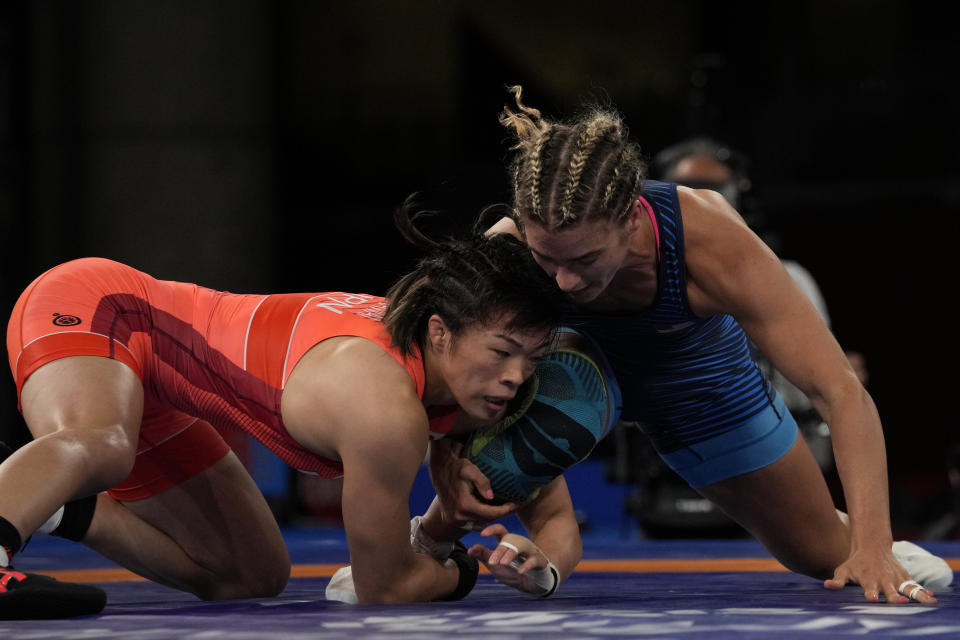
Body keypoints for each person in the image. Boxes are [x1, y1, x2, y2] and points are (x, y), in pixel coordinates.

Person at [434, 85, 950, 605]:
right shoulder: (510, 247)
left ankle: (865, 541)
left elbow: (840, 391)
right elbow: (436, 370)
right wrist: (450, 464)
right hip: (575, 368)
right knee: (507, 429)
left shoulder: (711, 238)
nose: (564, 283)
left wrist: (872, 545)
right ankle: (421, 549)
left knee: (820, 554)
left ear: (631, 217)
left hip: (700, 384)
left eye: (585, 260)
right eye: (548, 260)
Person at [0, 203, 569, 618]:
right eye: (502, 354)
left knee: (252, 576)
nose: (516, 377)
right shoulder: (383, 405)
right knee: (102, 442)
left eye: (531, 358)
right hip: (102, 308)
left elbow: (557, 520)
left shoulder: (474, 362)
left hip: (158, 389)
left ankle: (61, 508)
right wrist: (462, 569)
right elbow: (384, 589)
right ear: (441, 333)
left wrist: (539, 569)